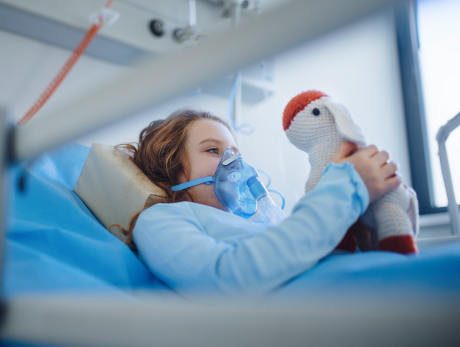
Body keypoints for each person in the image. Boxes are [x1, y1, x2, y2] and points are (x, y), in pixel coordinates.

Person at [114, 109, 401, 296]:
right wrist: (346, 189)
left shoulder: (260, 223)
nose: (233, 162)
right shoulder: (161, 219)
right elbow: (221, 280)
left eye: (236, 152)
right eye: (213, 150)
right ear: (169, 167)